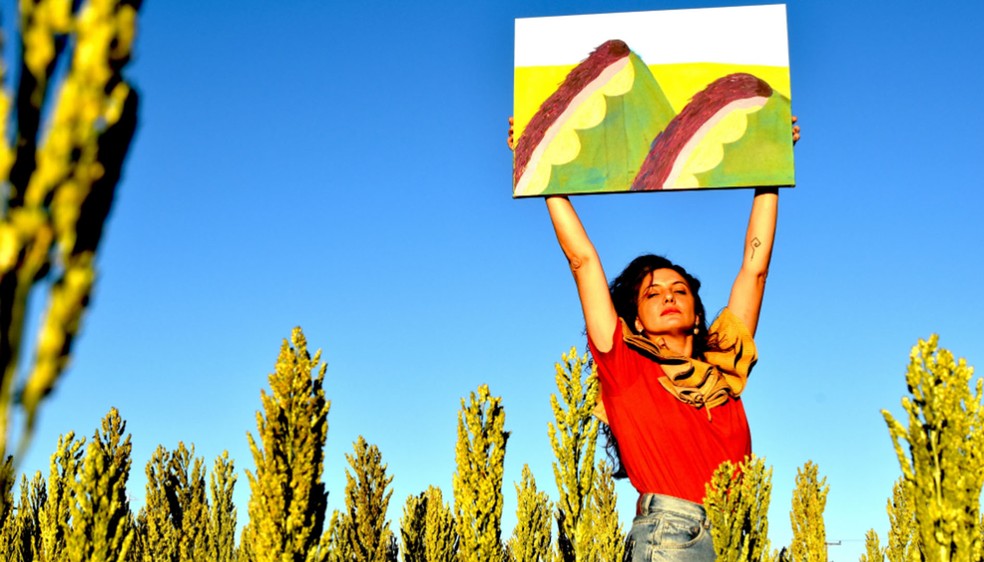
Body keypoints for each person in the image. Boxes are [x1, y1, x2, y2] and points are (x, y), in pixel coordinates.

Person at [509, 117, 799, 561]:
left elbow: (754, 270)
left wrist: (771, 170)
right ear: (637, 321)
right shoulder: (625, 363)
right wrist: (542, 166)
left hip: (737, 533)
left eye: (679, 290)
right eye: (653, 293)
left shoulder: (723, 367)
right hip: (670, 537)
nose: (669, 296)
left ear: (699, 317)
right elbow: (583, 261)